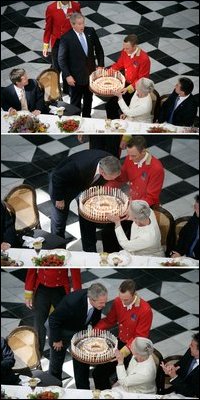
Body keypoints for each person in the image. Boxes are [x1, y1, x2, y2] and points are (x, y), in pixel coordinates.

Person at [49, 149, 121, 251]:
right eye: (112, 178)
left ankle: (89, 250)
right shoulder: (79, 166)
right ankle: (58, 250)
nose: (114, 179)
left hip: (83, 186)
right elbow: (57, 176)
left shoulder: (110, 161)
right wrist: (59, 198)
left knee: (87, 217)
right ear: (102, 172)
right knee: (59, 221)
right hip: (63, 186)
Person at [102, 136, 164, 252]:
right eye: (128, 154)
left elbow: (152, 197)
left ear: (144, 151)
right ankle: (113, 257)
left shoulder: (156, 168)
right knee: (107, 232)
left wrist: (131, 208)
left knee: (116, 234)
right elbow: (123, 177)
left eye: (134, 155)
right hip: (128, 203)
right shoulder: (130, 158)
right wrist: (108, 187)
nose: (130, 158)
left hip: (142, 210)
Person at [92, 279, 153, 390]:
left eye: (126, 299)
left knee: (121, 380)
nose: (123, 302)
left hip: (135, 349)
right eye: (121, 298)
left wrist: (122, 353)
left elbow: (139, 337)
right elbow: (110, 320)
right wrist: (95, 330)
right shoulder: (118, 301)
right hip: (120, 342)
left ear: (134, 294)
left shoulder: (145, 310)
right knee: (98, 373)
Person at [48, 283, 108, 388]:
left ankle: (83, 390)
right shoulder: (72, 302)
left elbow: (95, 317)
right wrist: (56, 339)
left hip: (78, 330)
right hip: (60, 331)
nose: (104, 305)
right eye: (101, 303)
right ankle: (54, 389)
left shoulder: (98, 302)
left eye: (105, 302)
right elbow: (53, 319)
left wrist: (94, 334)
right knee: (56, 364)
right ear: (91, 299)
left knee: (82, 362)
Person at [25, 268, 82, 356]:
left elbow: (75, 271)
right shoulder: (39, 253)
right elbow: (32, 268)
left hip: (61, 288)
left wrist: (77, 295)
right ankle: (37, 356)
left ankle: (61, 351)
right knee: (39, 324)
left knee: (64, 321)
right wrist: (28, 292)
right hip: (41, 288)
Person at [58, 12, 104, 117]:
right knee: (75, 102)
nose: (82, 26)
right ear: (73, 24)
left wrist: (100, 65)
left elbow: (99, 50)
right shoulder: (66, 38)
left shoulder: (90, 31)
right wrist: (67, 75)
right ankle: (76, 121)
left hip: (90, 75)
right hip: (75, 78)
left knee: (89, 99)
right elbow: (61, 59)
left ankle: (87, 119)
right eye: (79, 24)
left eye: (83, 23)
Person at [105, 34, 151, 119]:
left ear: (135, 46)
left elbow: (142, 80)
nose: (125, 50)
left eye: (127, 48)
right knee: (109, 106)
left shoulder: (144, 59)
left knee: (124, 111)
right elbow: (119, 64)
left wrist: (128, 89)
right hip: (125, 83)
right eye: (124, 47)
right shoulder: (125, 51)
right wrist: (111, 70)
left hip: (136, 89)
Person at [43, 1, 81, 94]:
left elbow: (79, 23)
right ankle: (55, 91)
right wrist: (46, 44)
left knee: (69, 65)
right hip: (57, 42)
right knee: (57, 67)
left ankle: (68, 89)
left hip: (71, 41)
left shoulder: (75, 6)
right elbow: (48, 27)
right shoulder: (51, 8)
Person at [160, 332, 199, 398]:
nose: (189, 346)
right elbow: (180, 365)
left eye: (192, 345)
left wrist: (174, 377)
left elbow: (191, 393)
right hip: (176, 389)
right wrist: (171, 368)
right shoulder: (190, 352)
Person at [170, 194, 199, 260]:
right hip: (187, 256)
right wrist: (178, 252)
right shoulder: (196, 217)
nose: (195, 209)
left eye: (197, 208)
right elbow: (183, 235)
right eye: (195, 206)